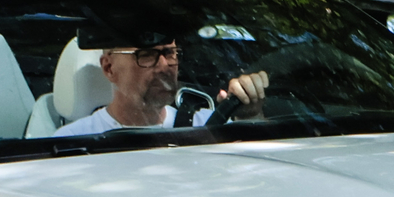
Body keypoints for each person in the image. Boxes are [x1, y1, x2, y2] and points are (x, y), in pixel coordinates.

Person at [57, 41, 267, 137]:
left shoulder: (207, 125)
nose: (164, 65)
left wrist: (251, 117)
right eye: (146, 54)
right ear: (109, 68)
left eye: (170, 53)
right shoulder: (72, 143)